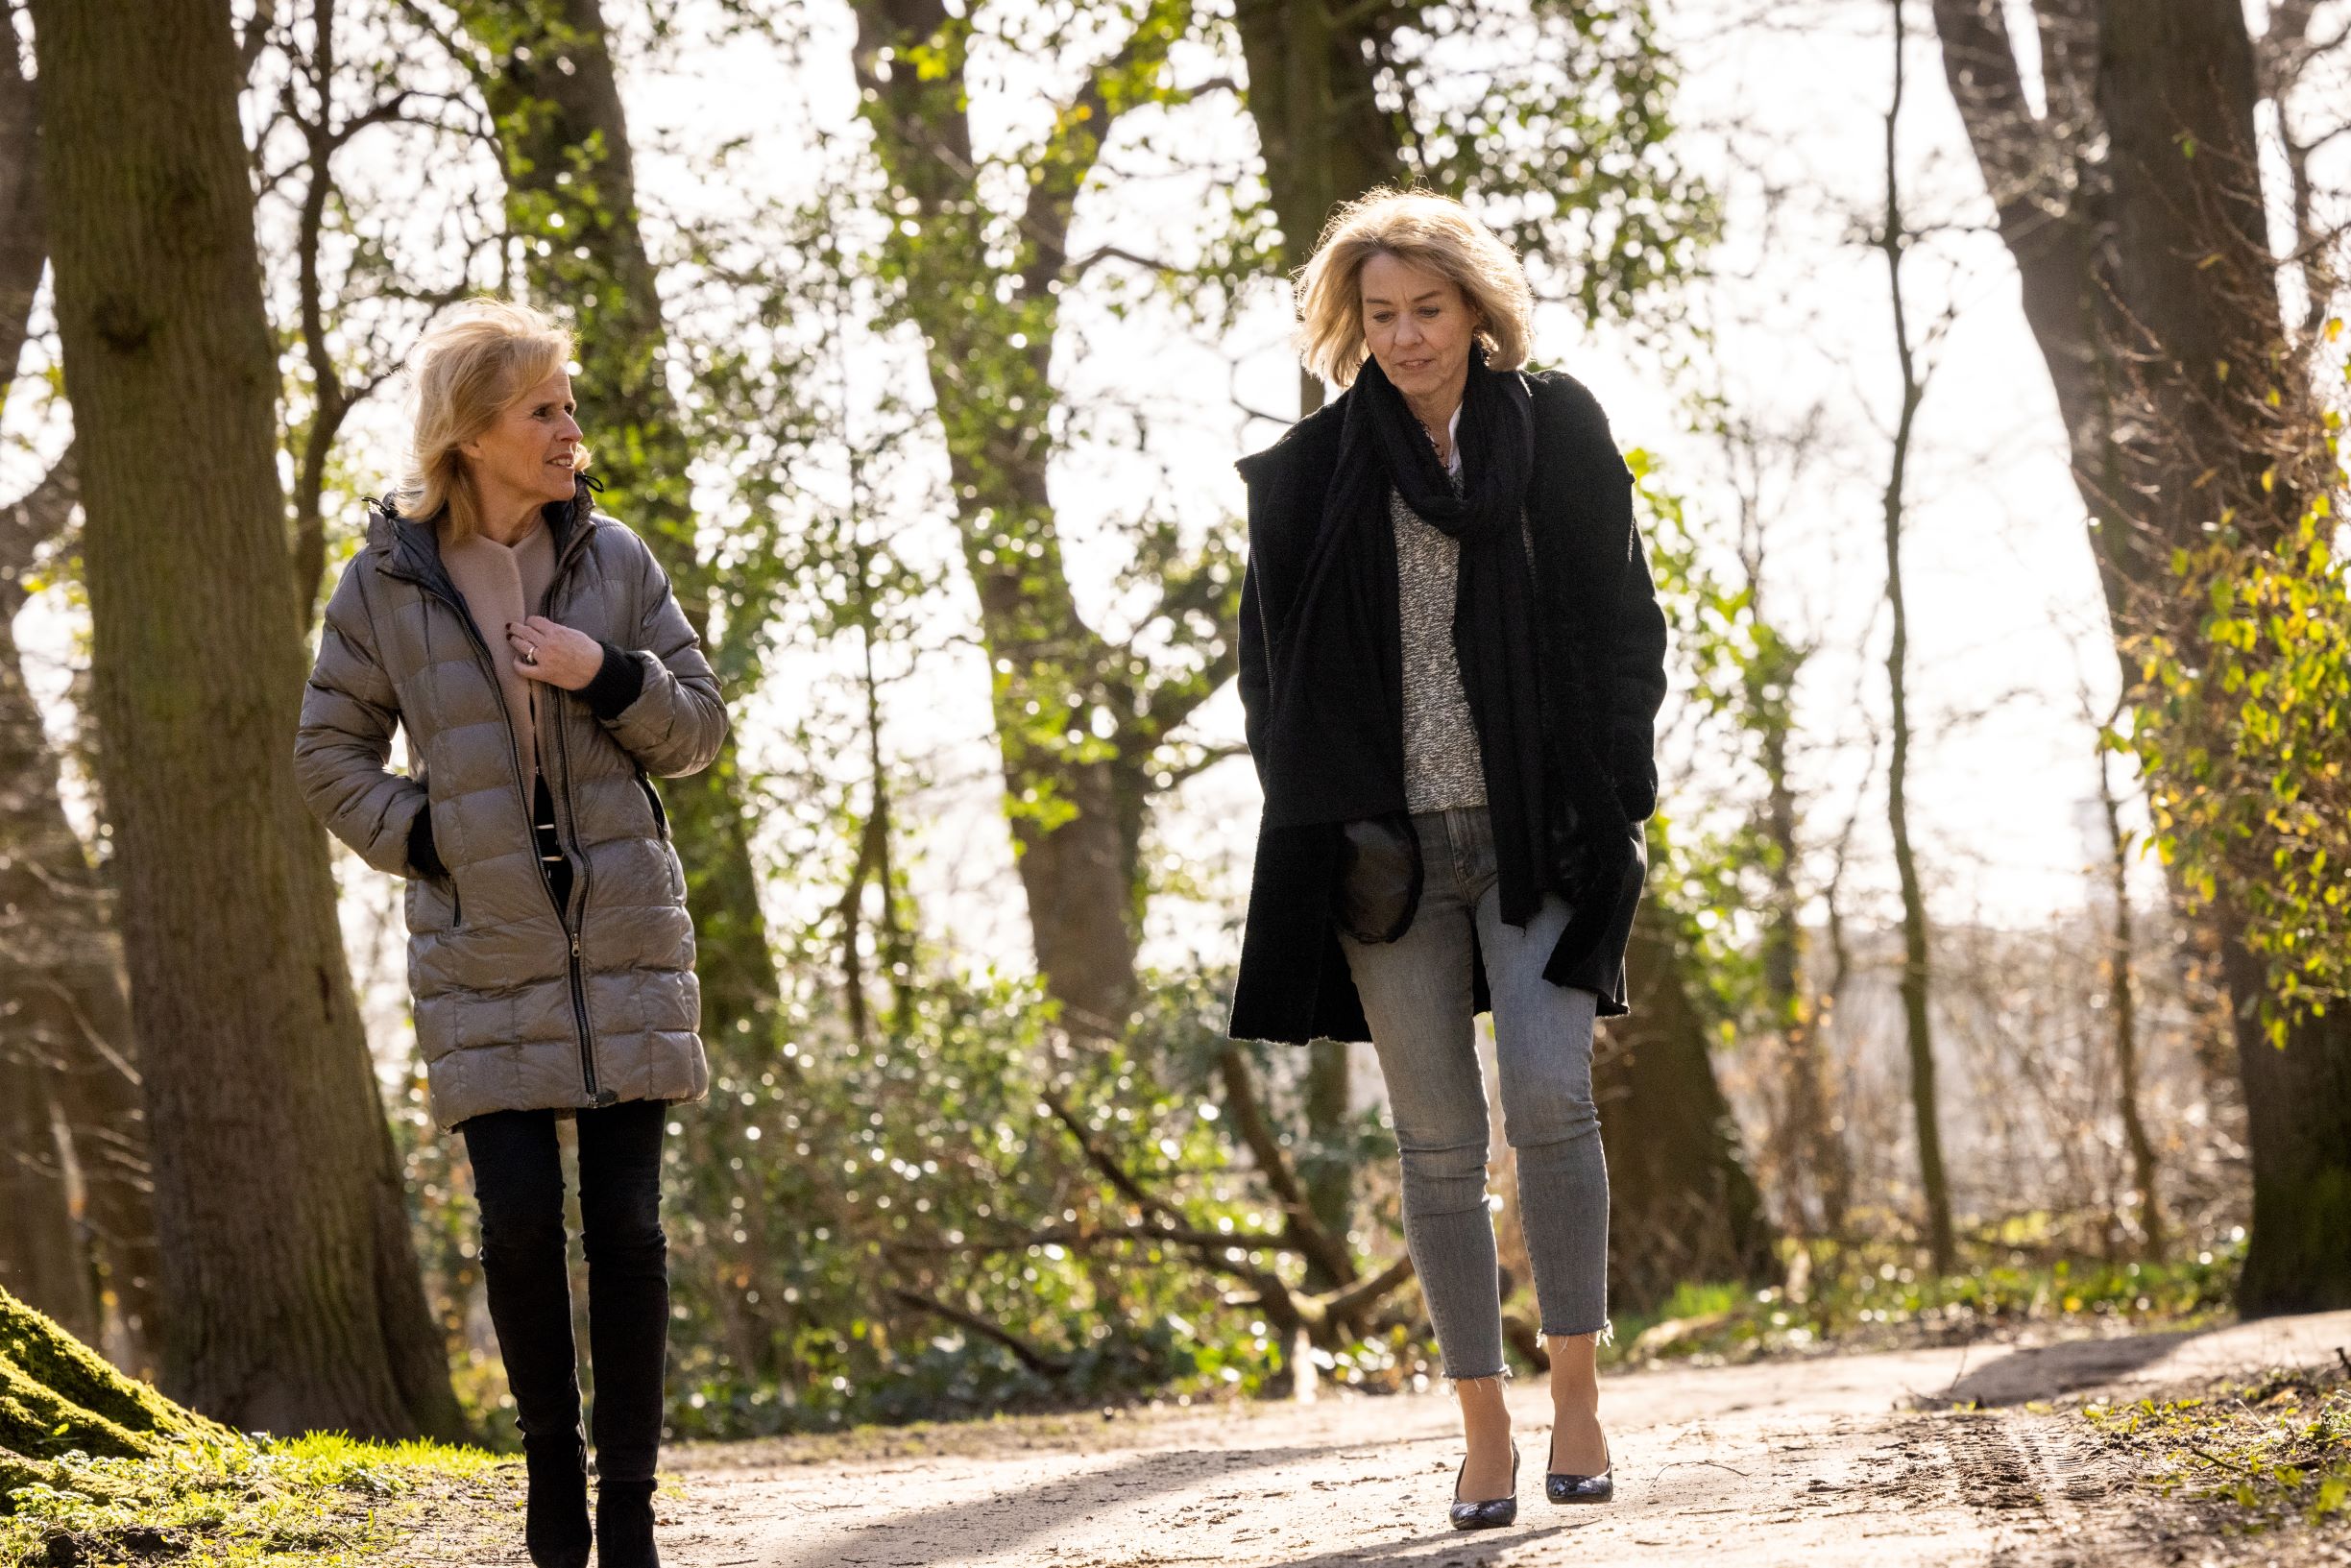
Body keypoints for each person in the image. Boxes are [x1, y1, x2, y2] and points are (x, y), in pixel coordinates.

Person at [1227, 189, 1667, 1531]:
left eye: (1428, 308)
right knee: (1436, 1143)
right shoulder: (1313, 471)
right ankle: (1484, 1426)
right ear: (1350, 325)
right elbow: (1269, 672)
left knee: (1551, 1097)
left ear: (1477, 309)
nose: (1406, 335)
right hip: (1387, 859)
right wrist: (1325, 811)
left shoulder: (1557, 428)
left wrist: (1615, 797)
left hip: (1542, 836)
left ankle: (1577, 1399)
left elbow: (1628, 625)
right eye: (1381, 314)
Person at [295, 300, 725, 1568]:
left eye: (569, 405)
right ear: (473, 432)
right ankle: (551, 1475)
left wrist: (608, 674)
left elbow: (700, 729)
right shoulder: (384, 583)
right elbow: (328, 755)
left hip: (626, 944)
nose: (570, 430)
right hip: (480, 952)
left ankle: (630, 1507)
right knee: (521, 1224)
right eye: (545, 409)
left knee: (628, 1230)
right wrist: (433, 836)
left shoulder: (615, 560)